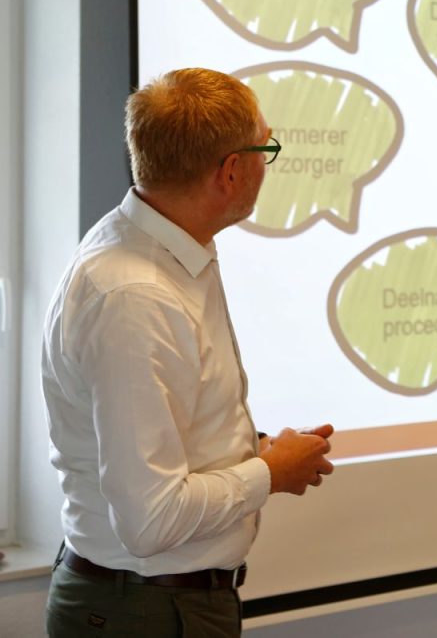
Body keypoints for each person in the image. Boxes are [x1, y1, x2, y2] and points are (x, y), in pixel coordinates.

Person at [42, 68, 336, 637]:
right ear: (232, 171)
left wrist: (251, 447)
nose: (267, 166)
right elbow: (150, 520)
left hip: (157, 604)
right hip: (145, 613)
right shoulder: (137, 296)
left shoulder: (159, 244)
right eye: (267, 149)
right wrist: (269, 473)